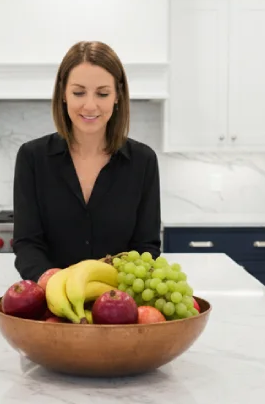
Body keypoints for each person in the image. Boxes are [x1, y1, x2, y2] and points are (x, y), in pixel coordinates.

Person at [12, 40, 162, 282]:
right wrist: (56, 284)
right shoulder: (32, 158)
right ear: (63, 93)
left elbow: (146, 247)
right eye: (78, 92)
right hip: (52, 304)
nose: (90, 105)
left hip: (119, 303)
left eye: (102, 93)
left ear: (117, 96)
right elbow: (27, 244)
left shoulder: (143, 161)